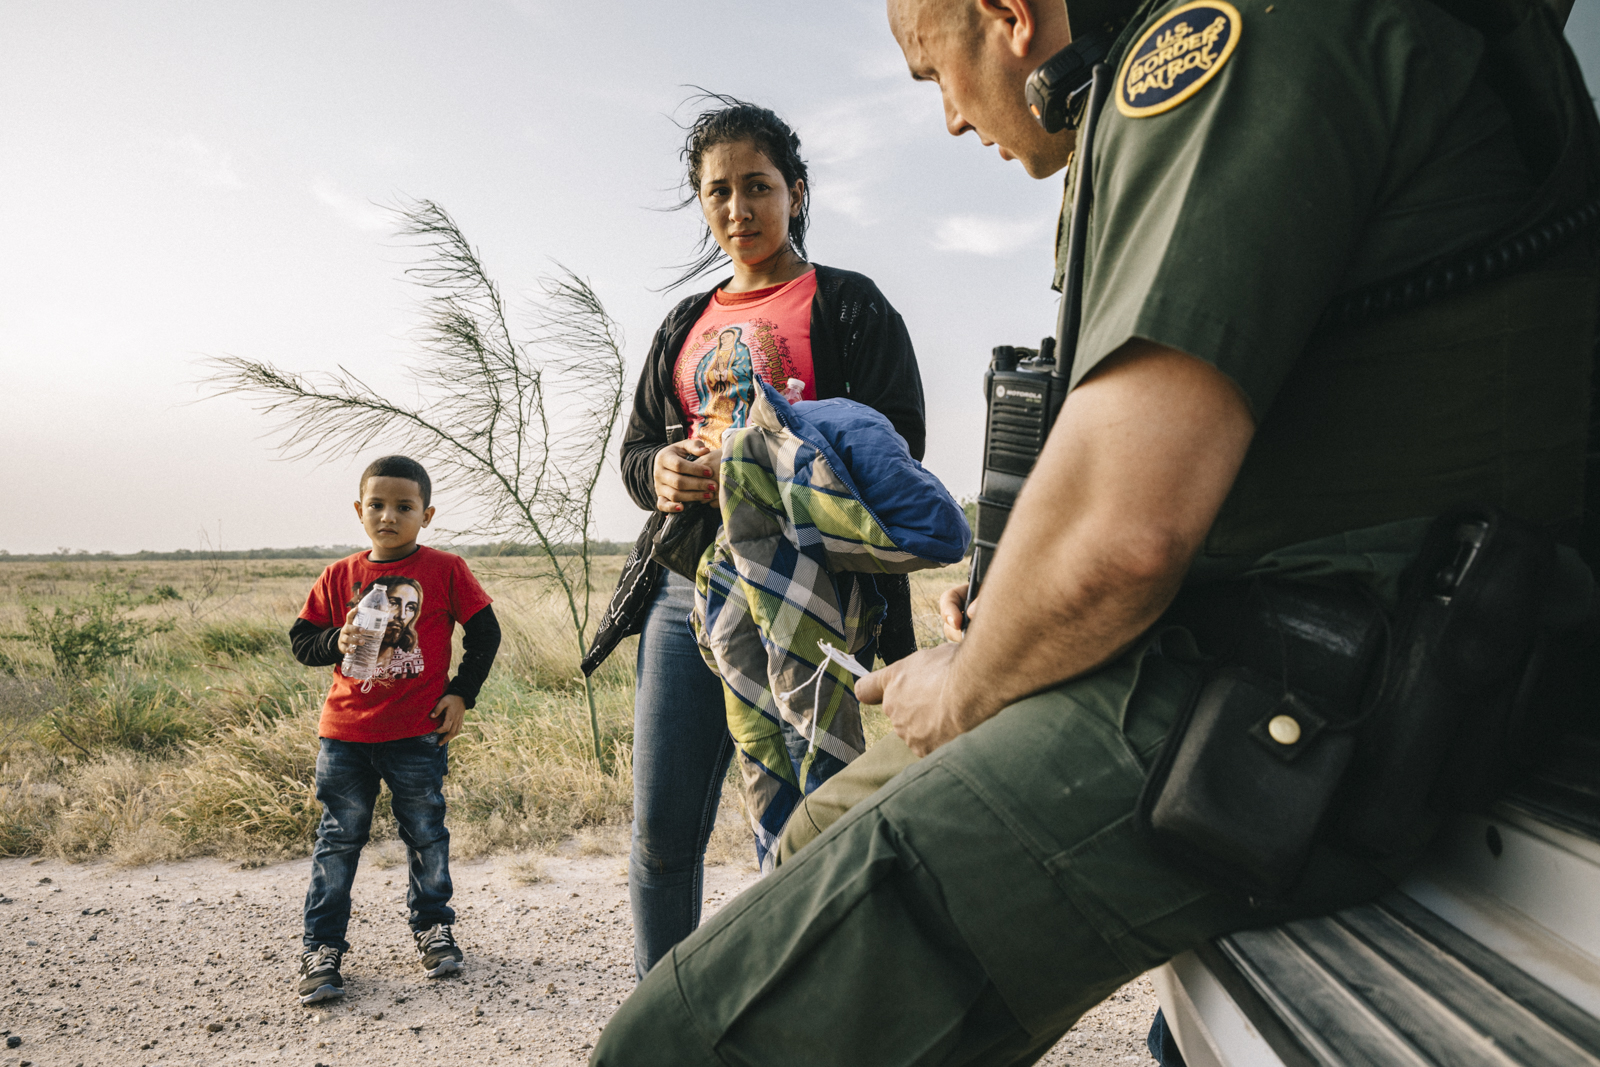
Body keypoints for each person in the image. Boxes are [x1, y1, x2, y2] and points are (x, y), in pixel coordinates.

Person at [591, 0, 1599, 1062]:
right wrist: (1006, 610)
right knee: (806, 837)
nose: (945, 119)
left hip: (1290, 693)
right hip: (1252, 648)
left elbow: (1123, 541)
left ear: (1008, 16)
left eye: (935, 73)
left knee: (669, 1042)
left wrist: (970, 676)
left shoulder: (1230, 47)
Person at [581, 96, 928, 982]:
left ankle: (822, 1013)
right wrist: (663, 472)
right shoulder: (680, 323)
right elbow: (636, 453)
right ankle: (667, 1019)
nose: (739, 209)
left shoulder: (851, 306)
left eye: (759, 187)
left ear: (798, 192)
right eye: (719, 192)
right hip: (680, 591)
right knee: (663, 832)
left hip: (816, 598)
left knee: (825, 817)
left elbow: (899, 444)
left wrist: (776, 452)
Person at [288, 455, 502, 1005]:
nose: (389, 516)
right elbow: (301, 642)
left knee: (426, 834)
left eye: (404, 507)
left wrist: (461, 693)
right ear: (360, 511)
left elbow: (485, 634)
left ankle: (433, 929)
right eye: (377, 505)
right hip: (346, 736)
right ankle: (323, 949)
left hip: (415, 736)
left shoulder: (446, 569)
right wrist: (336, 639)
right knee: (339, 840)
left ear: (426, 515)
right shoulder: (339, 576)